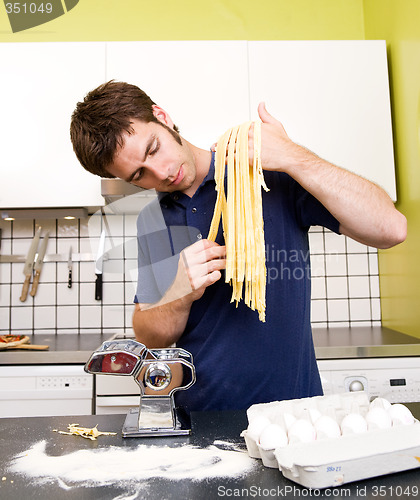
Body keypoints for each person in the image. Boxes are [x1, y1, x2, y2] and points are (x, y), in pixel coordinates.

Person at [70, 81, 407, 413]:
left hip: (294, 412)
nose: (161, 173)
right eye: (139, 174)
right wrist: (180, 291)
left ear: (162, 116)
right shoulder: (153, 219)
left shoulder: (263, 171)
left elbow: (391, 229)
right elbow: (150, 336)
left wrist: (294, 157)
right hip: (202, 419)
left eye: (153, 148)